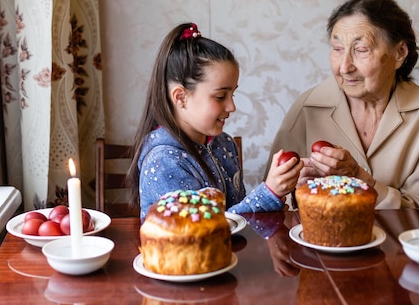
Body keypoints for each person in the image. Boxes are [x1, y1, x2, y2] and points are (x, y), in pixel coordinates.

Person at [266, 0, 419, 209]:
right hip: (321, 241)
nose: (344, 67)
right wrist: (296, 193)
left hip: (399, 243)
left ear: (399, 53)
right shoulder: (307, 108)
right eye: (337, 49)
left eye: (361, 49)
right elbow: (269, 204)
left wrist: (359, 178)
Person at [127, 22, 303, 218]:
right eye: (220, 97)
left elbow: (237, 217)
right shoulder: (164, 162)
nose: (232, 107)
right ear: (180, 97)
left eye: (232, 95)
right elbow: (198, 233)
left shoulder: (225, 144)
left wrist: (275, 200)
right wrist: (268, 195)